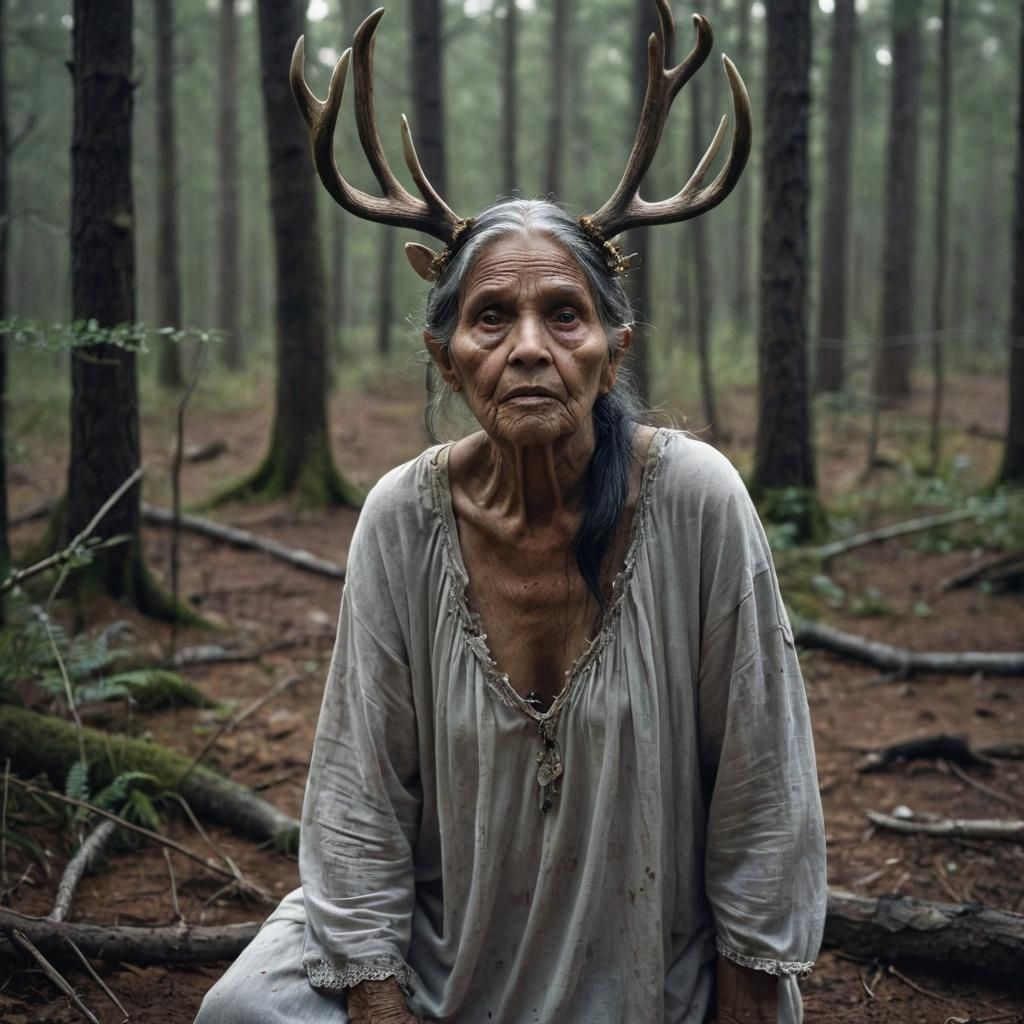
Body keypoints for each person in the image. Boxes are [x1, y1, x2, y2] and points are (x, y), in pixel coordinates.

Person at [196, 7, 826, 1024]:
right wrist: (377, 997)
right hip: (441, 944)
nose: (528, 347)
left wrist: (748, 993)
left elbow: (765, 791)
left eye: (563, 315)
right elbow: (359, 799)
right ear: (447, 358)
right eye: (491, 316)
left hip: (646, 951)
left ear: (612, 353)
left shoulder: (697, 500)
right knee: (241, 1013)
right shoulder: (400, 520)